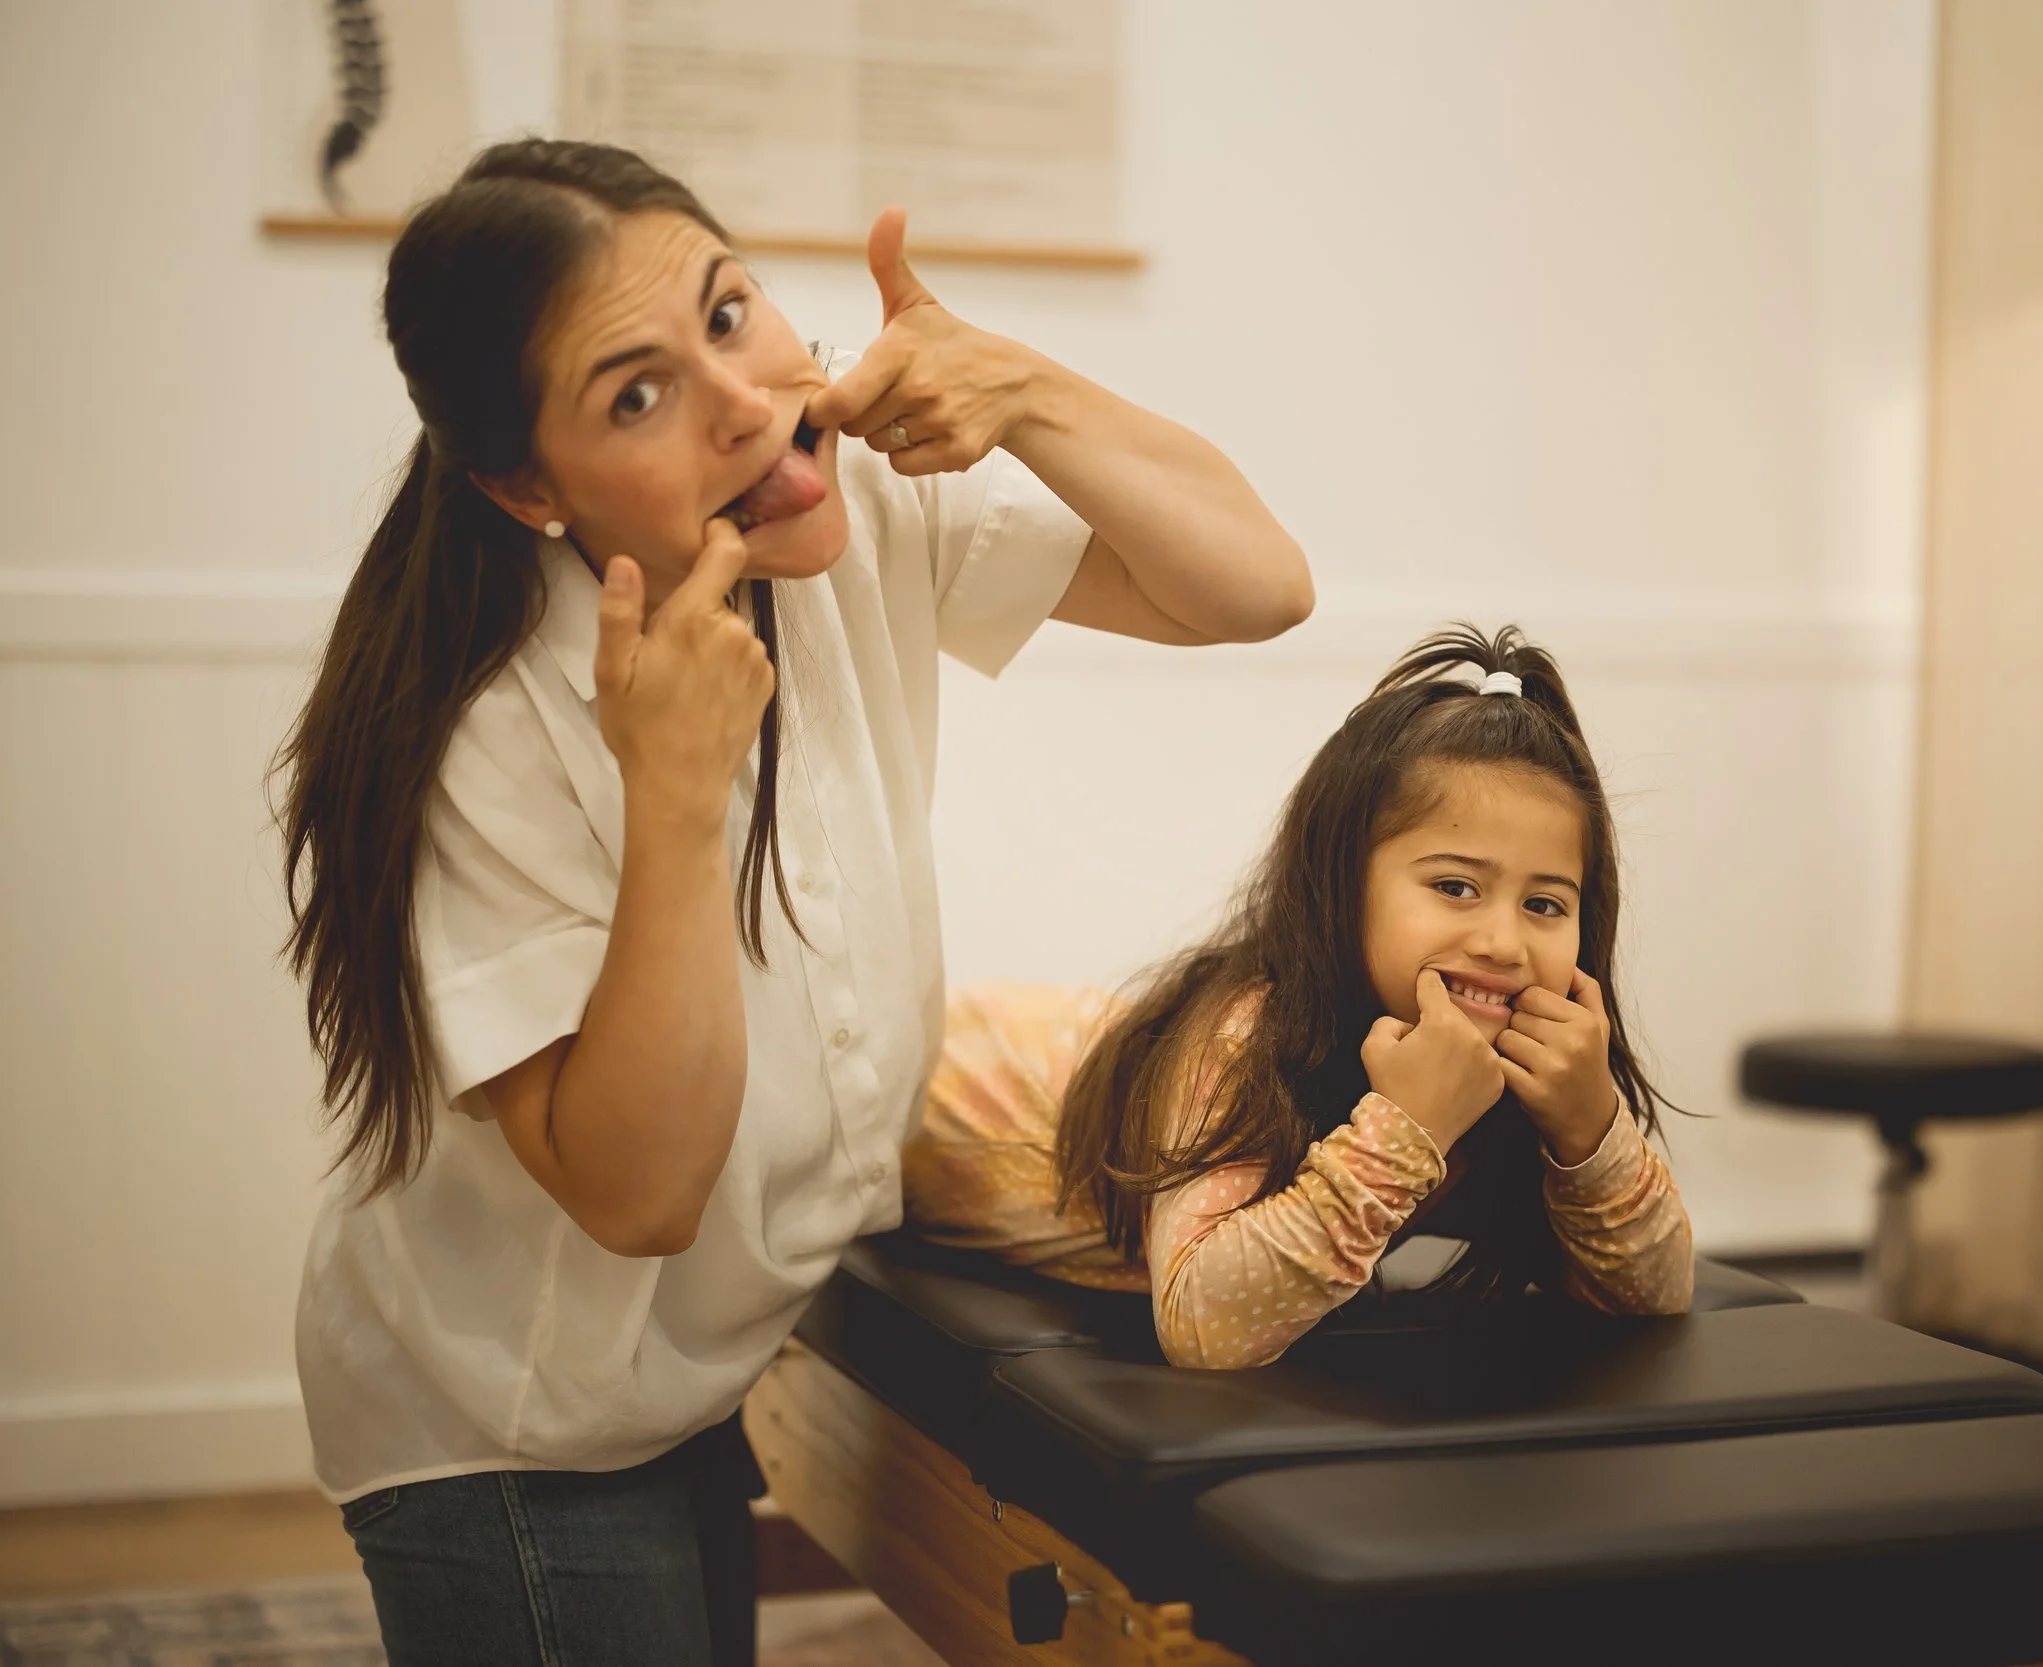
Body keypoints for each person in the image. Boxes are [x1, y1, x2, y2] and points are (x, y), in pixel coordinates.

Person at [276, 139, 1310, 1666]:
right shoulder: (483, 722)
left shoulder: (853, 502)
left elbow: (1252, 585)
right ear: (522, 483)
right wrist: (675, 797)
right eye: (636, 394)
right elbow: (639, 1190)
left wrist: (1021, 388)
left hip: (694, 1366)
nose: (742, 399)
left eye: (731, 310)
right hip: (512, 1413)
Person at [904, 625, 1695, 1368]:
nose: (1504, 941)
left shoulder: (1535, 1076)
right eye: (1455, 886)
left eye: (1546, 904)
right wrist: (1406, 1131)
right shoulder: (1246, 1038)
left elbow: (1654, 1295)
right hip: (940, 1083)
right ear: (1340, 888)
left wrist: (1592, 1129)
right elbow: (1203, 1325)